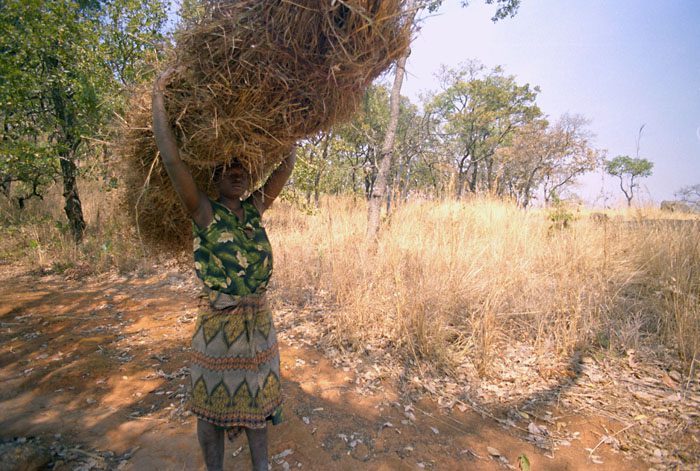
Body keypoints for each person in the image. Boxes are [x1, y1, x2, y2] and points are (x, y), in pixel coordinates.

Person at [152, 68, 296, 471]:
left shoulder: (255, 208)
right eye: (227, 170)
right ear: (212, 178)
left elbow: (284, 168)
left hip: (259, 324)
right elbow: (170, 157)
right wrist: (158, 96)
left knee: (260, 406)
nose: (237, 174)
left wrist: (296, 123)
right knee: (210, 411)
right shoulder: (204, 211)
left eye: (243, 170)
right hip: (218, 326)